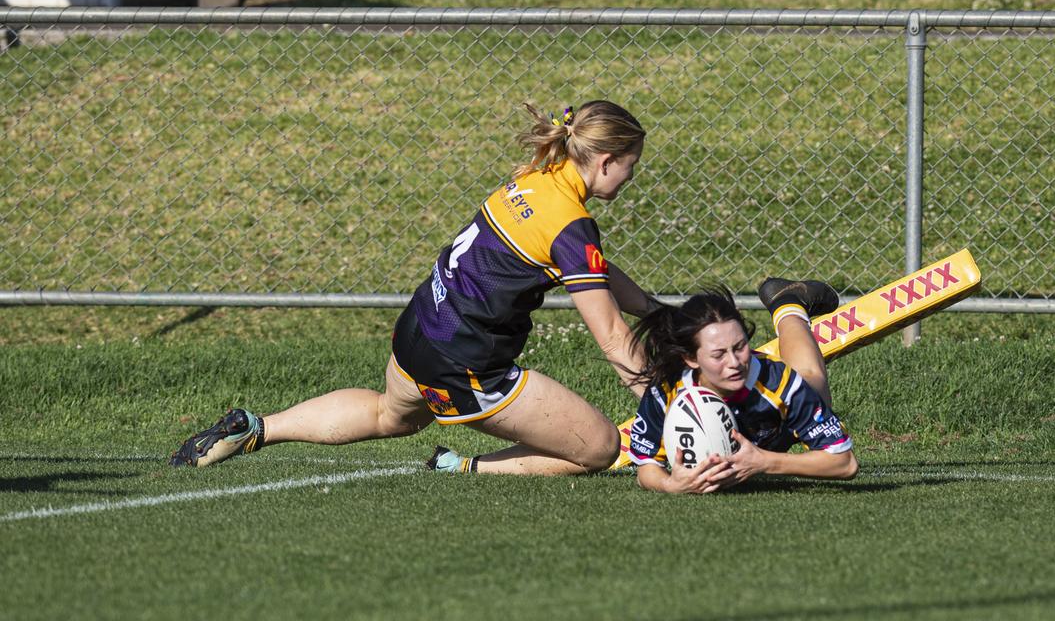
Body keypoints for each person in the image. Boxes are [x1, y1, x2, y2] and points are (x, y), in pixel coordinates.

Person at [171, 100, 660, 476]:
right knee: (602, 448)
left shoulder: (538, 179)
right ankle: (461, 466)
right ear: (607, 161)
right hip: (465, 363)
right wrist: (666, 406)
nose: (630, 177)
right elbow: (612, 337)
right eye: (630, 166)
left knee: (392, 416)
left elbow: (591, 270)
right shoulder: (571, 225)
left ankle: (258, 428)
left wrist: (652, 309)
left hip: (422, 327)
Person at [626, 281, 858, 493]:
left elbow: (844, 463)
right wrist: (671, 484)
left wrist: (765, 462)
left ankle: (788, 303)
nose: (735, 363)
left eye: (740, 347)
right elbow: (646, 465)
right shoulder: (666, 388)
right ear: (691, 359)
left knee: (811, 380)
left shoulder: (779, 382)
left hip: (779, 432)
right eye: (718, 355)